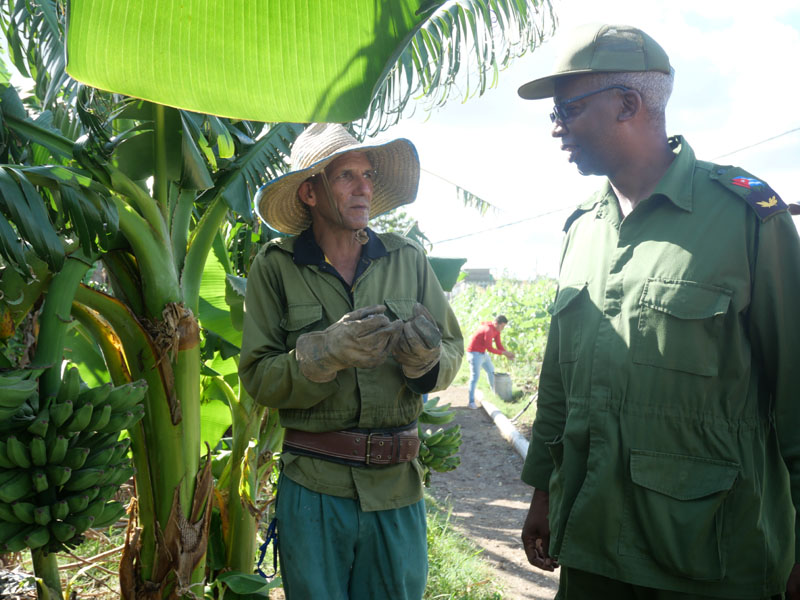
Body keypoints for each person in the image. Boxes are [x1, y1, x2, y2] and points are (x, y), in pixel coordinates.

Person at [516, 23, 800, 599]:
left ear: (628, 104)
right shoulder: (583, 230)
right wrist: (543, 492)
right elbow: (557, 384)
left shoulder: (747, 217)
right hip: (591, 548)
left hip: (708, 556)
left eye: (568, 109)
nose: (555, 127)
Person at [239, 123, 463, 599]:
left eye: (367, 174)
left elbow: (450, 350)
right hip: (314, 489)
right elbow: (259, 376)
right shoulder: (275, 268)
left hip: (395, 489)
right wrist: (323, 354)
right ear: (310, 192)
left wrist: (424, 363)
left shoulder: (408, 260)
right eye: (346, 175)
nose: (364, 185)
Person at [466, 315, 515, 409]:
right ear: (497, 323)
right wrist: (504, 353)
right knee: (475, 377)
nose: (503, 329)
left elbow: (498, 345)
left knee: (491, 371)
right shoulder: (488, 330)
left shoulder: (496, 330)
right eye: (502, 326)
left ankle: (495, 395)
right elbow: (490, 348)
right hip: (474, 354)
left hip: (483, 353)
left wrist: (506, 353)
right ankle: (471, 402)